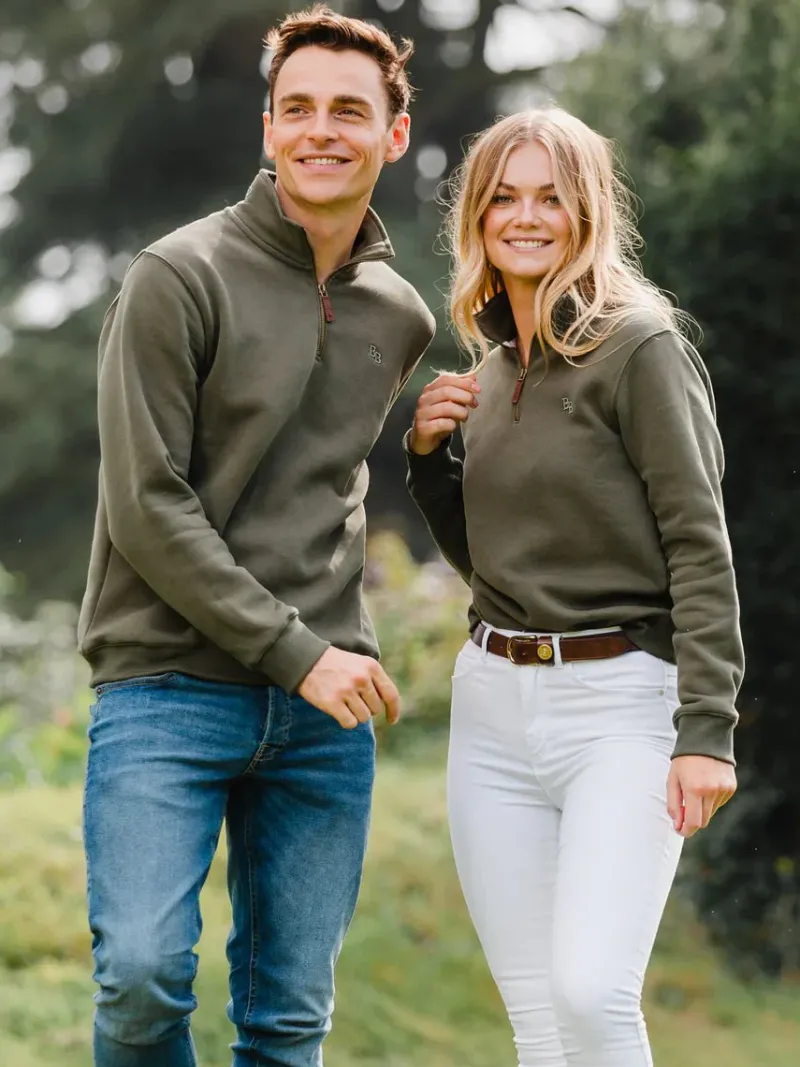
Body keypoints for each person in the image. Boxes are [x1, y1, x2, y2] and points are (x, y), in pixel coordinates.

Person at [78, 7, 435, 1066]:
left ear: (394, 135)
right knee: (140, 977)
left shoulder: (400, 315)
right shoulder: (176, 276)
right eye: (298, 108)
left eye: (349, 111)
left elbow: (329, 485)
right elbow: (147, 503)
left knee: (288, 1021)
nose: (322, 130)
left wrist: (439, 447)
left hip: (322, 710)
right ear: (268, 127)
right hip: (166, 685)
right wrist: (296, 650)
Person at [406, 108, 742, 1067]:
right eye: (504, 197)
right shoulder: (488, 375)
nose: (525, 216)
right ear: (476, 218)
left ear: (588, 212)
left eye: (550, 198)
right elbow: (497, 568)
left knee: (592, 993)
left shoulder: (641, 349)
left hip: (621, 708)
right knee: (540, 1024)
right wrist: (429, 458)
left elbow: (699, 544)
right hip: (493, 708)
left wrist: (706, 729)